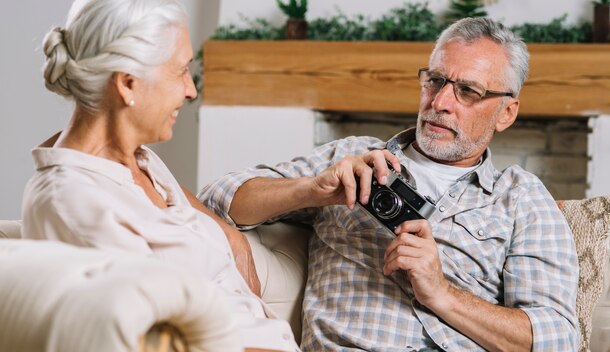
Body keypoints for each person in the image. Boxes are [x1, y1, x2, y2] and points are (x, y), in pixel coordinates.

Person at [199, 18, 579, 351]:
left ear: (506, 113)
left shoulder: (521, 197)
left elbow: (557, 339)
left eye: (468, 91)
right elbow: (216, 199)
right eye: (435, 81)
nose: (441, 102)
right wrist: (311, 189)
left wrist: (442, 293)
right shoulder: (353, 156)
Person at [21, 0, 298, 351]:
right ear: (128, 84)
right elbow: (160, 339)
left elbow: (178, 219)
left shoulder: (141, 161)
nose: (191, 90)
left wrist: (229, 234)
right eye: (180, 71)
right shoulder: (71, 202)